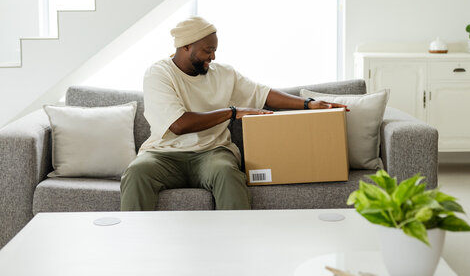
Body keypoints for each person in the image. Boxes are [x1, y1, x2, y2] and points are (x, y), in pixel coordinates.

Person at [120, 16, 346, 211]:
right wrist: (232, 112)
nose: (213, 57)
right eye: (207, 50)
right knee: (137, 172)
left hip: (212, 152)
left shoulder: (224, 74)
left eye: (215, 50)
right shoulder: (159, 74)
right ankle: (134, 249)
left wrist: (308, 104)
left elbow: (263, 95)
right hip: (164, 154)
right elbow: (179, 125)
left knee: (227, 172)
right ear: (186, 46)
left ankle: (237, 250)